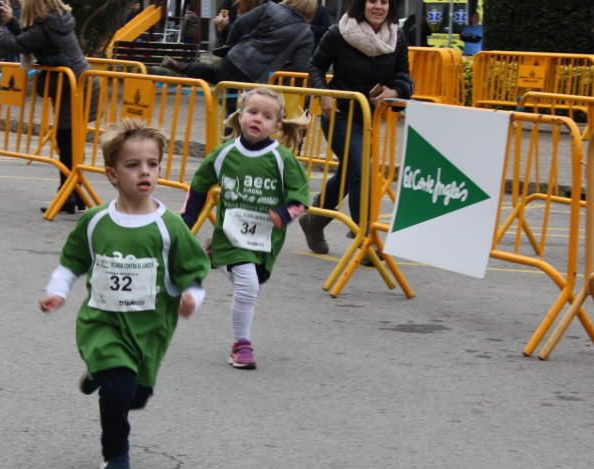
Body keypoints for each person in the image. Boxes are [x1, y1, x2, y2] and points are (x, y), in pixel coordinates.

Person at [38, 119, 211, 469]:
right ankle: (115, 453)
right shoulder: (96, 221)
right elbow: (72, 263)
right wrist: (57, 291)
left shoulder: (170, 226)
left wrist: (192, 297)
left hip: (150, 329)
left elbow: (192, 270)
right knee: (118, 389)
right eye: (133, 165)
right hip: (103, 324)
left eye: (152, 164)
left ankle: (99, 374)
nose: (144, 172)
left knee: (136, 396)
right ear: (112, 174)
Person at [181, 88, 310, 369]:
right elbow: (199, 186)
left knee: (255, 286)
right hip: (232, 236)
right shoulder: (224, 153)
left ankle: (210, 258)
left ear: (277, 124)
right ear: (240, 116)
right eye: (252, 112)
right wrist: (186, 220)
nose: (257, 119)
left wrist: (286, 213)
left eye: (267, 116)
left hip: (266, 240)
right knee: (248, 286)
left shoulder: (282, 159)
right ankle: (241, 346)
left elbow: (301, 196)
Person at [300, 0, 412, 255]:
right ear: (361, 4)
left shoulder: (397, 36)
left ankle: (314, 220)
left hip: (369, 119)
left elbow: (404, 75)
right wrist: (323, 93)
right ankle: (366, 243)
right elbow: (314, 65)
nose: (378, 7)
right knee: (360, 171)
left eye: (384, 2)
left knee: (351, 172)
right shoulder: (339, 32)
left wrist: (395, 90)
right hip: (339, 115)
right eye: (373, 0)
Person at [0, 0, 90, 214]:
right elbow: (28, 40)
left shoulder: (47, 26)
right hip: (78, 82)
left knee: (67, 141)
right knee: (69, 141)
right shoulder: (55, 21)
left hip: (72, 85)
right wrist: (11, 21)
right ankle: (73, 193)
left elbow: (15, 45)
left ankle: (68, 194)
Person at [162, 0, 316, 85]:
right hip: (255, 76)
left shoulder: (270, 8)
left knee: (216, 74)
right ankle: (231, 135)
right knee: (237, 109)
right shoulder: (305, 33)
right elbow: (299, 68)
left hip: (235, 58)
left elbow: (240, 24)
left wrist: (231, 45)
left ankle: (182, 66)